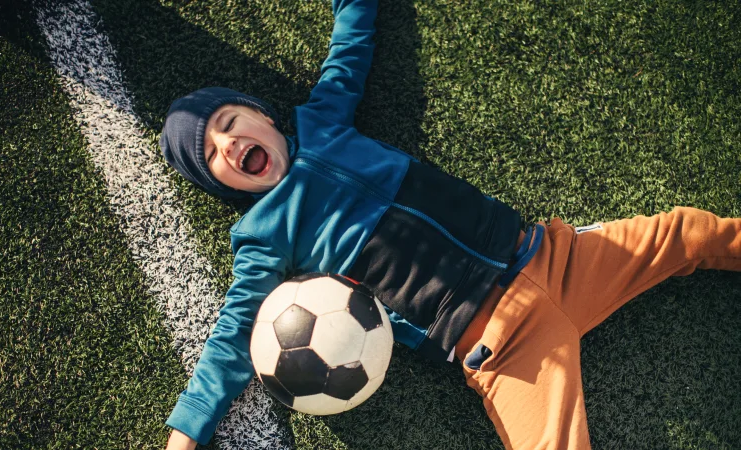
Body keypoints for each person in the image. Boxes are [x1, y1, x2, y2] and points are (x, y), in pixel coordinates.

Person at [158, 0, 741, 448]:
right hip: (505, 350)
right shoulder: (262, 236)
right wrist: (187, 428)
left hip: (554, 257)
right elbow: (234, 335)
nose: (231, 142)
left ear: (261, 116)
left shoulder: (323, 122)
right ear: (223, 183)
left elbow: (351, 44)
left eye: (231, 121)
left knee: (687, 232)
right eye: (213, 153)